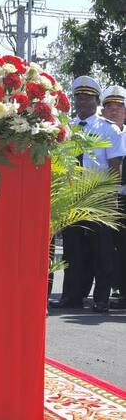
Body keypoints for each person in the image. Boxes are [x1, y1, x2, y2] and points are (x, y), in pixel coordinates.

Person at [50, 76, 124, 313]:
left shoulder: (108, 128)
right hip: (71, 197)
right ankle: (71, 296)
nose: (82, 102)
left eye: (87, 98)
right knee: (73, 251)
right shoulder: (67, 128)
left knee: (102, 251)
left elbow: (115, 166)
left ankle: (101, 299)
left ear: (96, 102)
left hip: (98, 198)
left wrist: (109, 199)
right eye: (79, 97)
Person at [101, 85, 126, 309]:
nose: (114, 110)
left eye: (119, 106)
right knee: (108, 246)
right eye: (109, 106)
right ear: (103, 111)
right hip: (106, 197)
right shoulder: (98, 132)